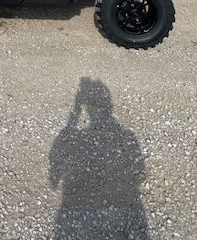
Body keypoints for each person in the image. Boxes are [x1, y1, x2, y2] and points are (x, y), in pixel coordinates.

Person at [49, 78, 149, 239]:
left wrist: (74, 114)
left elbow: (54, 178)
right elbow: (140, 174)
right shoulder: (127, 136)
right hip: (124, 209)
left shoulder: (83, 137)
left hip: (75, 212)